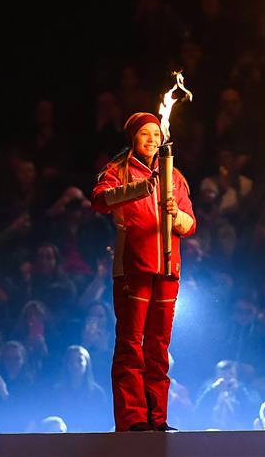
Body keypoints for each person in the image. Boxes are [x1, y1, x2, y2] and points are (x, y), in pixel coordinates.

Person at [91, 112, 196, 432]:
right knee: (130, 344)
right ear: (132, 137)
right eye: (144, 134)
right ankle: (132, 418)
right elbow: (99, 200)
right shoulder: (118, 170)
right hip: (132, 266)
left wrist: (175, 213)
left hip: (167, 268)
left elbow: (190, 225)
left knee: (158, 345)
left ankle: (157, 417)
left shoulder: (174, 176)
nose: (151, 139)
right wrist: (139, 188)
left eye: (156, 134)